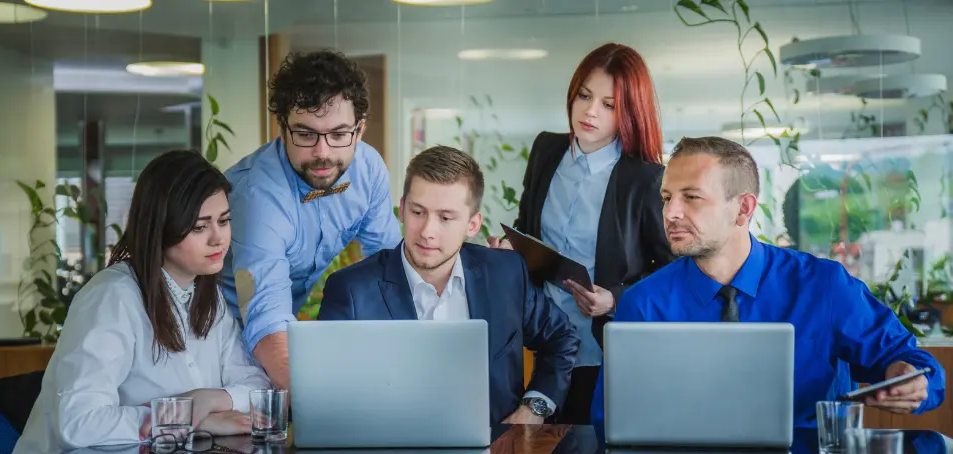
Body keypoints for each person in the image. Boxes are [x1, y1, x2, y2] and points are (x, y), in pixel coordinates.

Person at [589, 136, 946, 427]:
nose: (671, 212)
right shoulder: (643, 303)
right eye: (667, 198)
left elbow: (915, 363)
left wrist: (915, 379)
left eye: (691, 197)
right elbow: (612, 421)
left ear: (743, 208)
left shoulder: (823, 286)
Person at [8, 150, 271, 454]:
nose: (219, 239)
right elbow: (78, 423)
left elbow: (256, 385)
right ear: (162, 227)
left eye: (224, 221)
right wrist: (187, 420)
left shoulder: (207, 297)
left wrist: (211, 399)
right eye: (200, 227)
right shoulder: (113, 297)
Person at [318, 145, 580, 425]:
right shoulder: (350, 290)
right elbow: (326, 393)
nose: (428, 231)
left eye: (445, 217)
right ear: (403, 208)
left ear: (472, 224)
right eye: (418, 212)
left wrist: (533, 410)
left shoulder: (506, 273)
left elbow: (561, 339)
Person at [488, 42, 673, 424]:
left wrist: (615, 299)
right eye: (585, 96)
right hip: (536, 341)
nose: (590, 111)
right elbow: (528, 225)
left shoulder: (644, 179)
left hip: (601, 349)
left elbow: (672, 269)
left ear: (629, 112)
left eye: (609, 104)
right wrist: (511, 247)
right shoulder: (546, 149)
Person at [218, 50, 402, 390]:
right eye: (305, 134)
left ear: (359, 131)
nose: (322, 152)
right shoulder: (258, 196)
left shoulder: (369, 170)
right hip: (223, 340)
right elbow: (266, 314)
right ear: (282, 128)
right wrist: (318, 404)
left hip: (288, 336)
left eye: (338, 134)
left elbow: (389, 267)